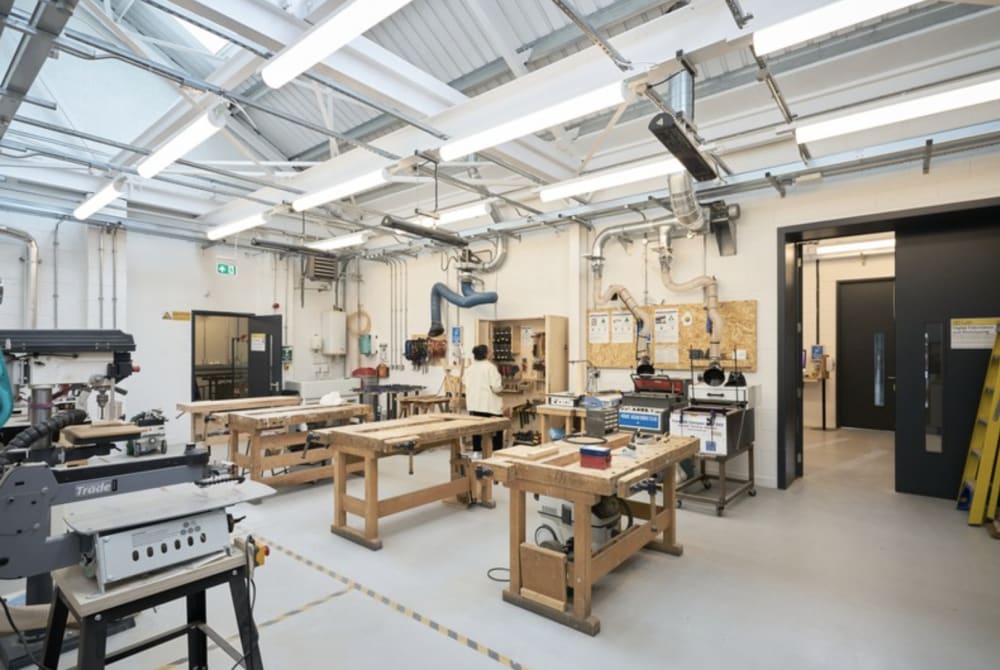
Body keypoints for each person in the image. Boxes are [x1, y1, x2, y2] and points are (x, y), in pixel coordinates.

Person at [464, 344, 504, 452]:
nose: (492, 353)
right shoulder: (490, 368)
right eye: (490, 351)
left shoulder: (469, 368)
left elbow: (465, 383)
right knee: (497, 430)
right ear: (486, 354)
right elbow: (496, 388)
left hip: (474, 405)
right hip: (489, 406)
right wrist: (502, 388)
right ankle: (497, 453)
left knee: (476, 431)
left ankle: (477, 453)